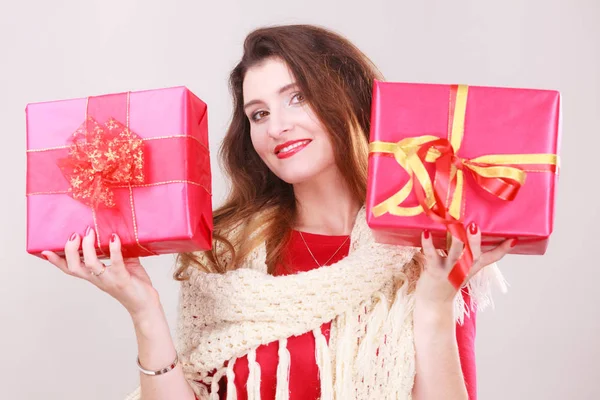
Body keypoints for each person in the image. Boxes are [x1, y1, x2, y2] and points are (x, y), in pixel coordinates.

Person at [42, 24, 512, 400]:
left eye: (298, 97)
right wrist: (144, 308)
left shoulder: (423, 248)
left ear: (348, 97)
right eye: (258, 114)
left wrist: (433, 303)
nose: (277, 126)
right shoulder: (227, 250)